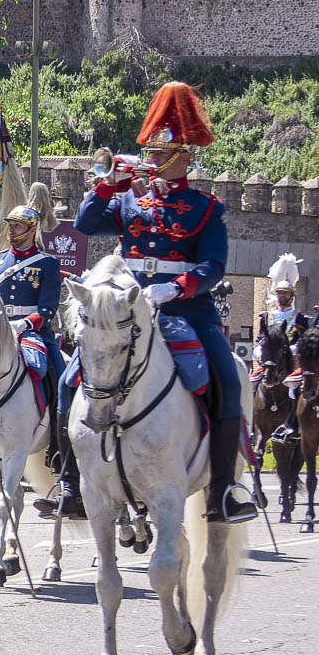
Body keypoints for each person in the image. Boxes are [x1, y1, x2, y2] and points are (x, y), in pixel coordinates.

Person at [72, 82, 258, 524]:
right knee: (68, 380)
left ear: (184, 159)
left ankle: (224, 488)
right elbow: (84, 225)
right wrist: (106, 186)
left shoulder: (206, 209)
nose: (150, 163)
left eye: (159, 157)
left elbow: (213, 266)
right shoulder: (130, 202)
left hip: (186, 310)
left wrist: (177, 288)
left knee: (227, 380)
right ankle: (67, 478)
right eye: (149, 155)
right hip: (128, 311)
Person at [0, 196, 74, 518]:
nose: (11, 229)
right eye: (10, 225)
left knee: (58, 374)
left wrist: (25, 323)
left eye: (17, 225)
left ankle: (60, 448)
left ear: (31, 229)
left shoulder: (46, 264)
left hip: (32, 331)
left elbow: (47, 307)